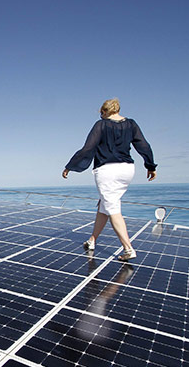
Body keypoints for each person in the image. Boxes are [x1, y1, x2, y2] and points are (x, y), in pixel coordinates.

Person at [62, 98, 157, 261]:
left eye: (101, 113)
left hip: (107, 170)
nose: (101, 116)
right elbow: (144, 145)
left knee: (112, 207)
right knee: (105, 204)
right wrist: (150, 165)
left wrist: (70, 166)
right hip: (127, 169)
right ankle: (92, 240)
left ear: (105, 111)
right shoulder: (131, 124)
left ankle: (128, 249)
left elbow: (88, 148)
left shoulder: (101, 125)